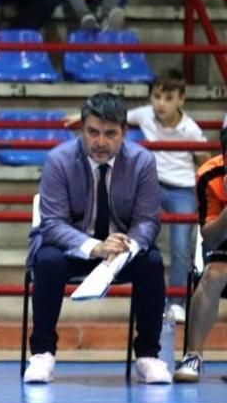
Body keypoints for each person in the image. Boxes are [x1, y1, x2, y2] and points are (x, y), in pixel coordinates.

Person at [24, 93, 171, 385]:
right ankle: (42, 353)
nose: (101, 142)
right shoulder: (59, 160)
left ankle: (148, 356)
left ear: (124, 133)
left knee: (152, 262)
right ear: (82, 129)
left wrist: (126, 247)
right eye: (93, 132)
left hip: (121, 252)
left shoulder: (142, 162)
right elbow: (52, 223)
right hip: (73, 251)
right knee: (47, 260)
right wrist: (95, 248)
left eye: (110, 134)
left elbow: (148, 221)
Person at [65, 71, 207, 324]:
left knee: (180, 242)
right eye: (157, 96)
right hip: (149, 183)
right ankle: (115, 265)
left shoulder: (192, 130)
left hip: (181, 188)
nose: (161, 103)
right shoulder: (144, 115)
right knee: (131, 227)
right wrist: (80, 117)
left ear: (181, 100)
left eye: (168, 97)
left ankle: (176, 302)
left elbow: (204, 161)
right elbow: (115, 119)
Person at [173, 126, 227, 383]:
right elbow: (211, 237)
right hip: (224, 243)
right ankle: (193, 356)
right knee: (213, 275)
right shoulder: (209, 175)